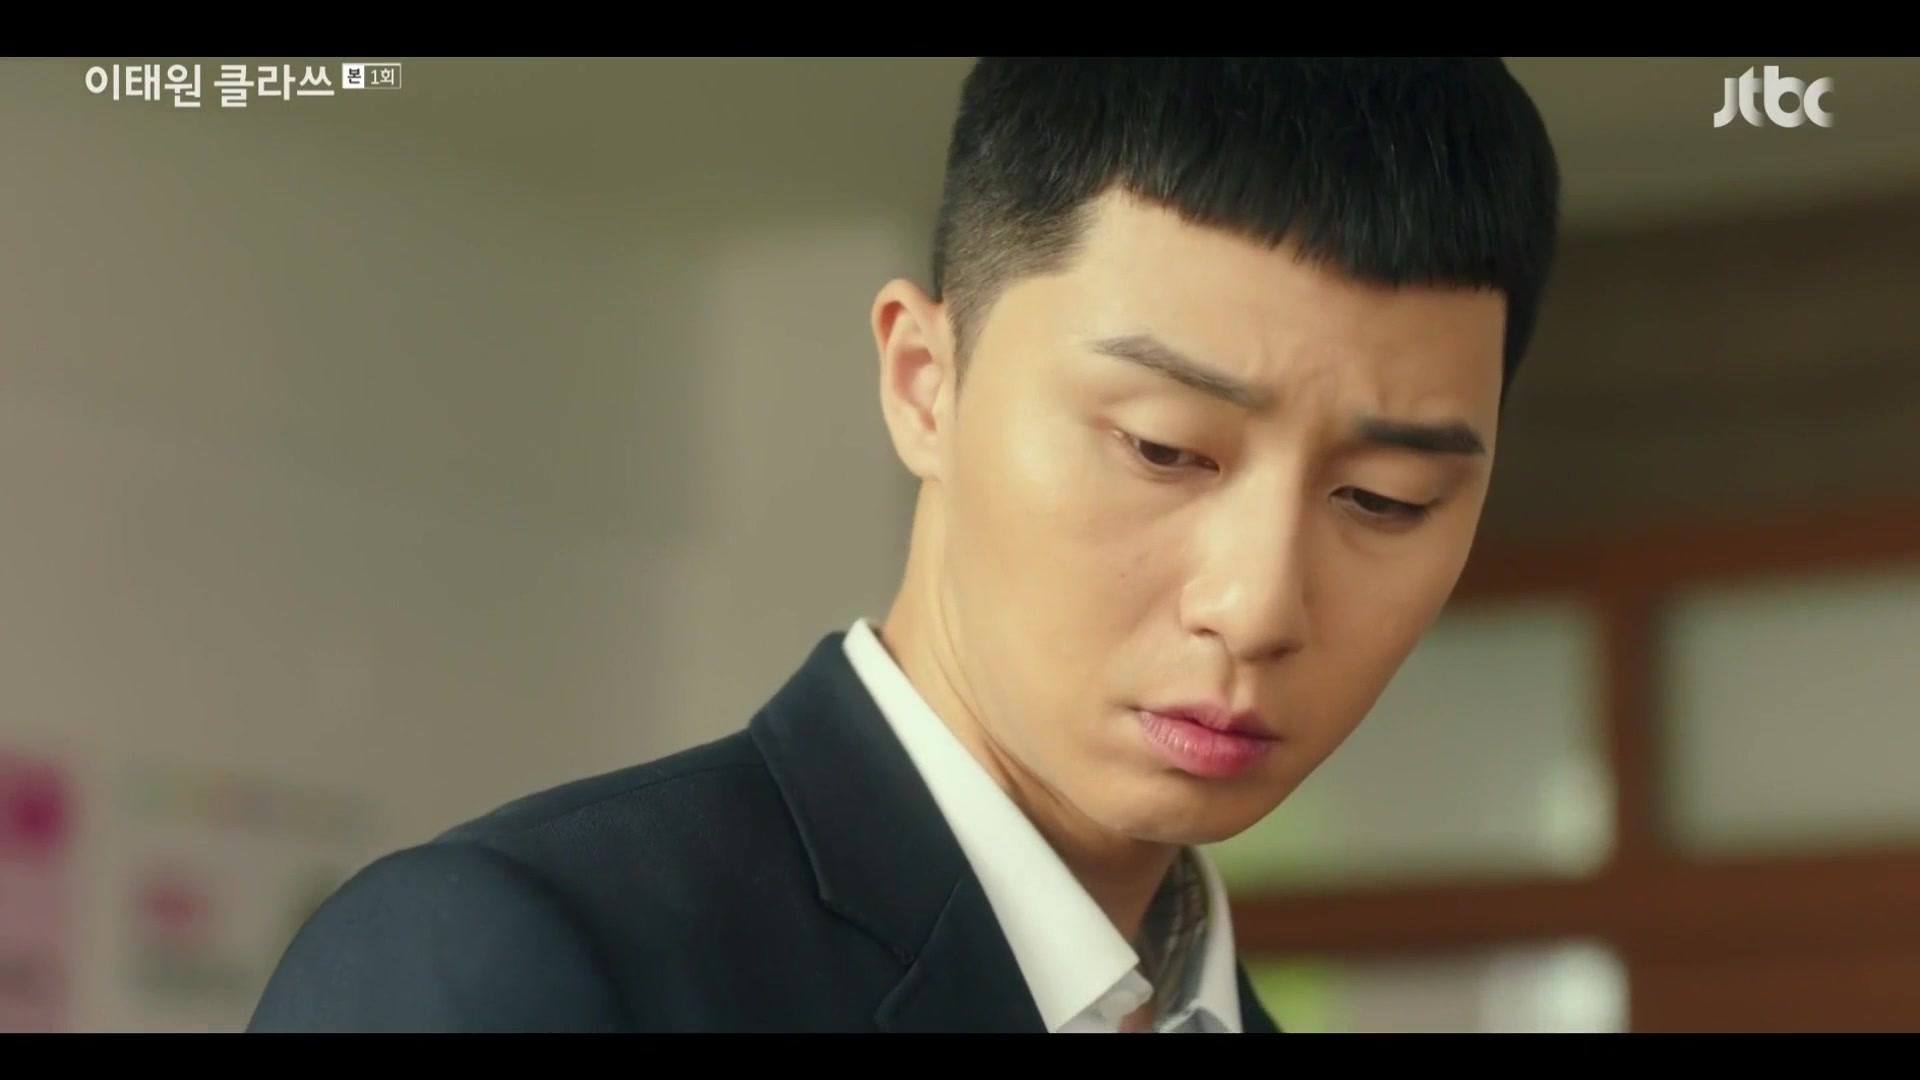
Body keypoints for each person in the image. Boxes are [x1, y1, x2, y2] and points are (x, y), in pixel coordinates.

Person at [247, 56, 1560, 1034]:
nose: (1258, 603)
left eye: (1385, 500)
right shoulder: (516, 964)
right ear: (926, 384)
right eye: (1164, 449)